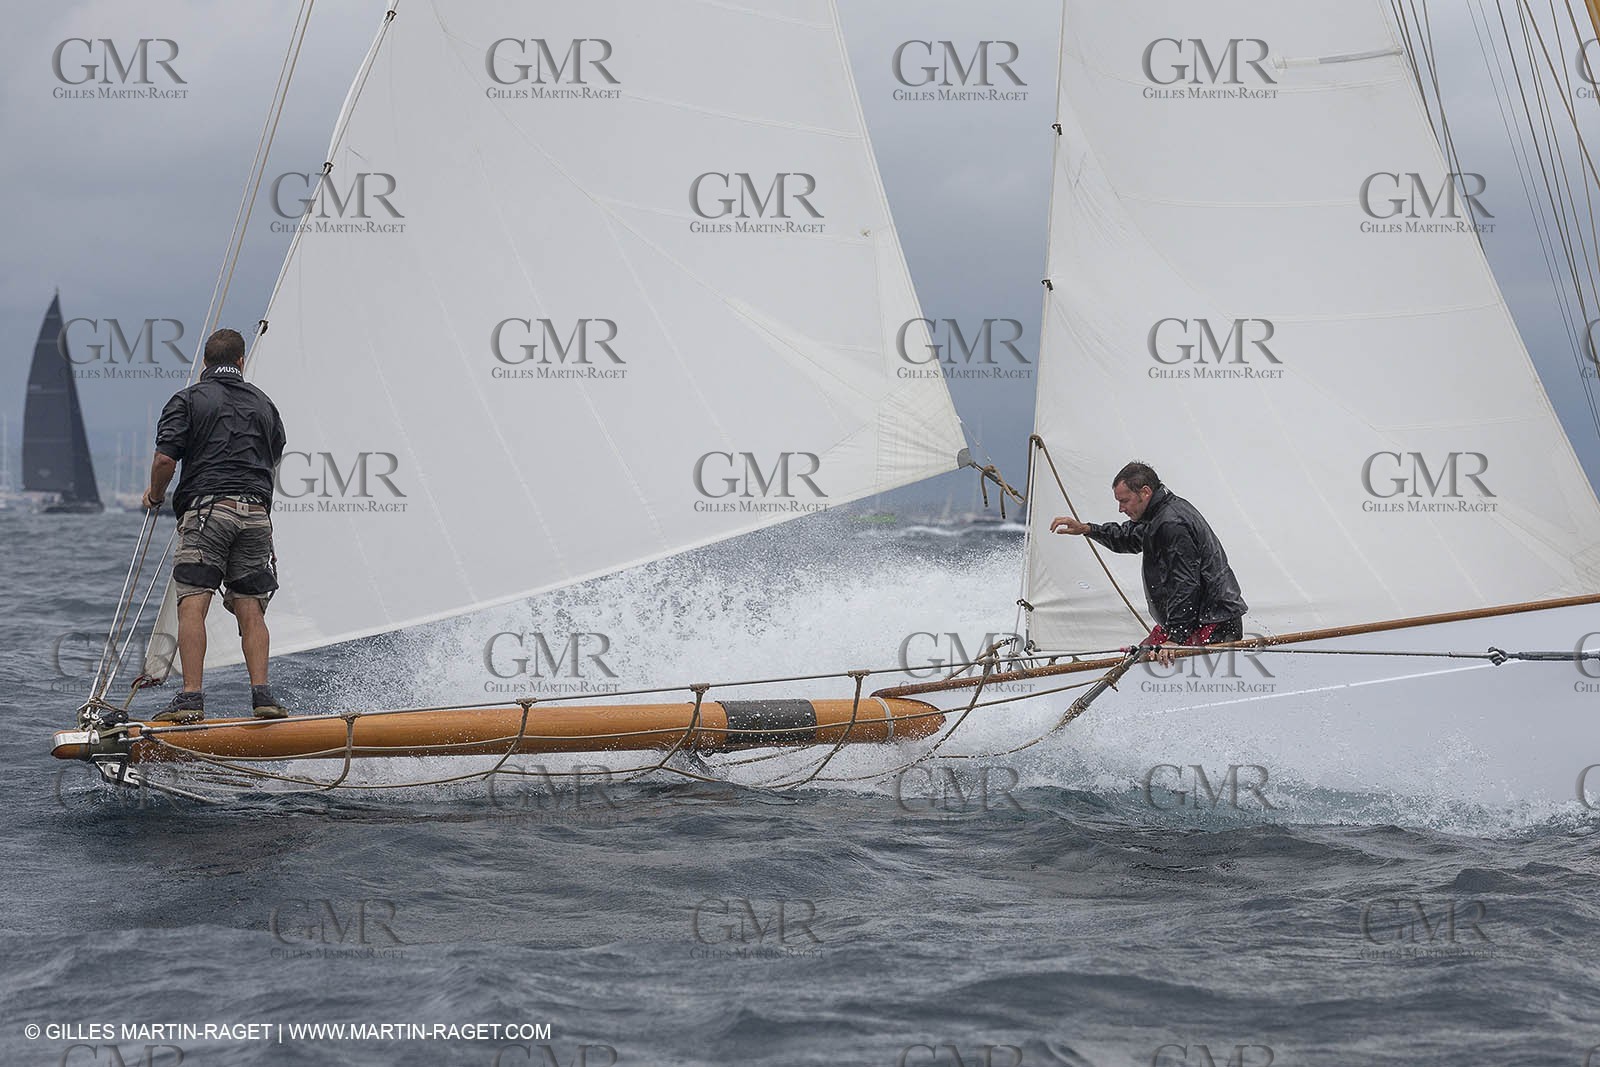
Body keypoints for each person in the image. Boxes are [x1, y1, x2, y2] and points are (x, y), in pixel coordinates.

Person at [141, 328, 290, 723]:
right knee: (251, 608)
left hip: (208, 513)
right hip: (256, 516)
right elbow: (273, 456)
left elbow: (164, 461)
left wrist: (155, 496)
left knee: (193, 602)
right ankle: (262, 697)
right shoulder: (264, 404)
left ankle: (191, 699)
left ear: (205, 363)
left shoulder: (187, 400)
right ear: (241, 362)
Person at [1051, 461, 1247, 667]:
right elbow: (1128, 537)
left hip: (1212, 622)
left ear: (1145, 492)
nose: (1120, 508)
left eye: (1124, 501)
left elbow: (1185, 583)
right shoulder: (1158, 516)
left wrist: (1176, 639)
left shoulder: (1171, 523)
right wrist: (1087, 529)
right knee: (1134, 660)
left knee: (1141, 665)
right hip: (1193, 620)